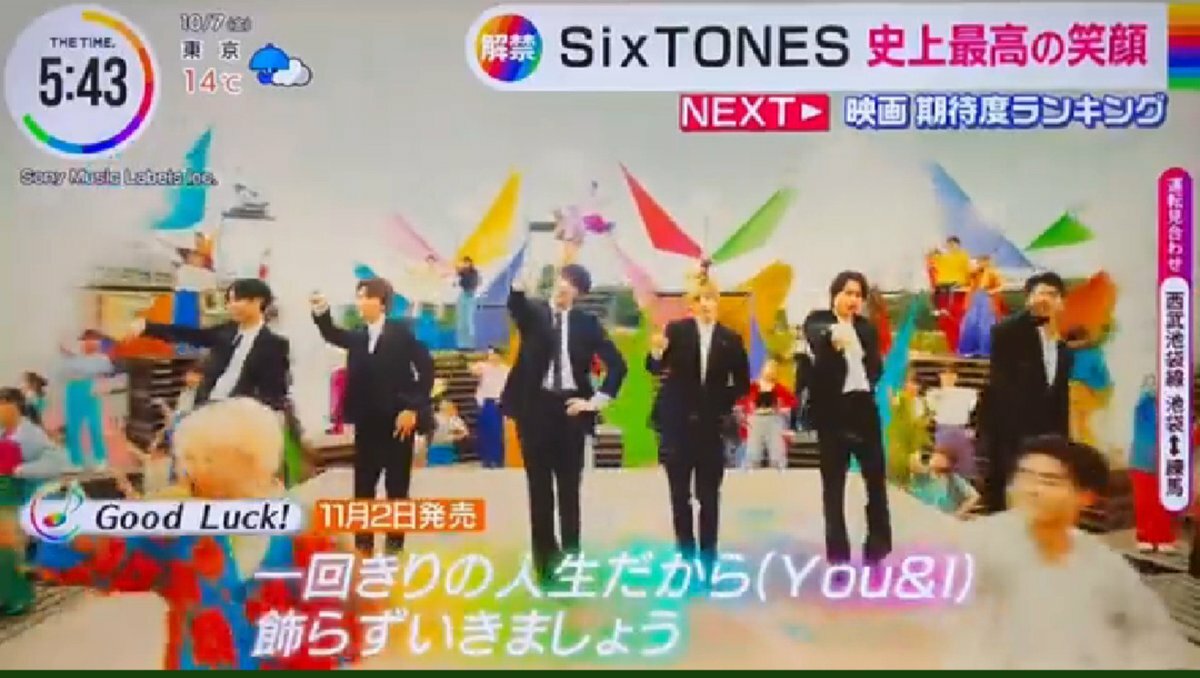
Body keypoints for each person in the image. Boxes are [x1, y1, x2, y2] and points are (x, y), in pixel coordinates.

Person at [24, 398, 381, 669]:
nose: (187, 472)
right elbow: (116, 554)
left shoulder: (314, 536)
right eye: (187, 460)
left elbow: (346, 629)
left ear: (246, 460)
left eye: (201, 460)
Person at [949, 436, 1192, 669]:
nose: (1031, 489)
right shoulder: (973, 544)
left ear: (1086, 496)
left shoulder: (1104, 565)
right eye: (1024, 476)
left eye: (1049, 481)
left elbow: (1152, 637)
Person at [502, 264, 626, 585]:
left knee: (569, 492)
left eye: (572, 284)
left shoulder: (587, 324)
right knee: (539, 491)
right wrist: (519, 284)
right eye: (562, 280)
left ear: (579, 293)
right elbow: (516, 306)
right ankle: (545, 566)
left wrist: (595, 402)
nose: (564, 287)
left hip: (571, 411)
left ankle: (572, 561)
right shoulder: (535, 315)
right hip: (535, 411)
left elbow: (617, 366)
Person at [311, 278, 434, 554]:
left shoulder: (403, 333)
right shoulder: (358, 336)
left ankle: (394, 548)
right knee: (363, 486)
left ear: (381, 302)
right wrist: (321, 312)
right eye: (358, 297)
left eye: (366, 297)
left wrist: (413, 408)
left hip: (397, 423)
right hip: (367, 422)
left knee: (396, 488)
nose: (360, 302)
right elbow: (332, 334)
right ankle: (363, 547)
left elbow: (426, 372)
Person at [648, 280, 749, 575]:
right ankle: (685, 554)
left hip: (711, 426)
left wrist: (721, 401)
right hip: (678, 423)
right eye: (700, 299)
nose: (706, 304)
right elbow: (654, 367)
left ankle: (708, 556)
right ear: (691, 305)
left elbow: (742, 382)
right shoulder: (677, 332)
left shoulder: (730, 339)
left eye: (711, 298)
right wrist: (656, 353)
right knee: (680, 494)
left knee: (709, 495)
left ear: (718, 303)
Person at [803, 271, 891, 566]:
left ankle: (877, 548)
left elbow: (875, 364)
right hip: (833, 411)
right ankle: (838, 557)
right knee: (834, 486)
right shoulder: (819, 320)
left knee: (876, 480)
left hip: (863, 408)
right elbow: (816, 333)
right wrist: (832, 335)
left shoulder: (866, 328)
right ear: (835, 295)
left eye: (858, 295)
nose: (853, 300)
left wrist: (869, 379)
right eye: (848, 293)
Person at [980, 271, 1072, 512]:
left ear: (1061, 301)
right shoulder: (1008, 333)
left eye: (1053, 294)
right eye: (1041, 293)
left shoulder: (1064, 343)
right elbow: (1001, 389)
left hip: (1049, 439)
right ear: (1028, 298)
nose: (1047, 299)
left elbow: (1059, 395)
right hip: (1013, 436)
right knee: (1010, 502)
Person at [131, 278, 291, 411]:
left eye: (237, 300)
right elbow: (193, 335)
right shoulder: (227, 331)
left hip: (238, 417)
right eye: (228, 301)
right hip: (206, 408)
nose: (231, 306)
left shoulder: (274, 345)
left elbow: (273, 395)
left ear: (257, 301)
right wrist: (149, 327)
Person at [0, 387, 70, 616]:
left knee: (10, 547)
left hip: (32, 495)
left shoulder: (31, 435)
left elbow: (58, 463)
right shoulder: (4, 433)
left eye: (3, 404)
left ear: (14, 407)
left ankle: (17, 596)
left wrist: (19, 469)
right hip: (8, 495)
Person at [1128, 376, 1177, 553]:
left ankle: (1164, 537)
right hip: (1142, 463)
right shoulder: (1144, 406)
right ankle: (1144, 537)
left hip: (1168, 464)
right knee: (1144, 503)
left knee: (1164, 503)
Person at [59, 329, 115, 470]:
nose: (91, 343)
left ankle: (100, 458)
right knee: (73, 428)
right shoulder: (73, 358)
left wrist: (78, 363)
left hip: (91, 390)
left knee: (95, 426)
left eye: (95, 340)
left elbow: (103, 373)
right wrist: (72, 357)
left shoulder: (102, 359)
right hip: (74, 390)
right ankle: (75, 461)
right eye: (87, 340)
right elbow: (66, 373)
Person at [739, 358, 796, 470]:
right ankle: (750, 470)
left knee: (777, 452)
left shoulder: (780, 389)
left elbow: (791, 404)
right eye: (769, 368)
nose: (771, 371)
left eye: (774, 369)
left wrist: (781, 408)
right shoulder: (752, 388)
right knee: (753, 453)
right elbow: (741, 404)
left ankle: (778, 468)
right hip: (755, 420)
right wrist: (744, 415)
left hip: (774, 420)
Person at [924, 367, 978, 478]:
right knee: (941, 465)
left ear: (956, 377)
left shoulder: (967, 393)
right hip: (943, 431)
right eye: (945, 374)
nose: (948, 378)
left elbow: (972, 409)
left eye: (951, 375)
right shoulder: (933, 393)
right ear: (940, 376)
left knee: (964, 466)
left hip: (960, 431)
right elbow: (931, 408)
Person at [907, 445, 980, 518]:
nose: (937, 459)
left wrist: (958, 513)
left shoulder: (953, 479)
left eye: (942, 459)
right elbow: (913, 463)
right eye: (936, 456)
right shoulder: (922, 474)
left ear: (948, 464)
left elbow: (974, 495)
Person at [469, 346, 510, 468]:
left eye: (494, 354)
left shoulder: (506, 369)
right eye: (490, 355)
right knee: (485, 431)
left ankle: (497, 459)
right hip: (486, 402)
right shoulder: (484, 367)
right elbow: (472, 370)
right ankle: (486, 459)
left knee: (497, 432)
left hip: (499, 402)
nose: (491, 357)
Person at [428, 399, 468, 467]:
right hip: (434, 449)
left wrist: (452, 436)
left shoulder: (454, 419)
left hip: (447, 449)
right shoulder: (434, 417)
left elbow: (464, 433)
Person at [455, 257, 481, 349]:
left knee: (468, 321)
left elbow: (468, 283)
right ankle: (462, 344)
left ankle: (469, 344)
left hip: (470, 296)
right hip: (464, 296)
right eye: (464, 263)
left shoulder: (474, 273)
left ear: (470, 263)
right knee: (461, 321)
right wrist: (459, 271)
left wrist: (461, 274)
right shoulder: (462, 272)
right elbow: (459, 281)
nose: (465, 265)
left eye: (467, 263)